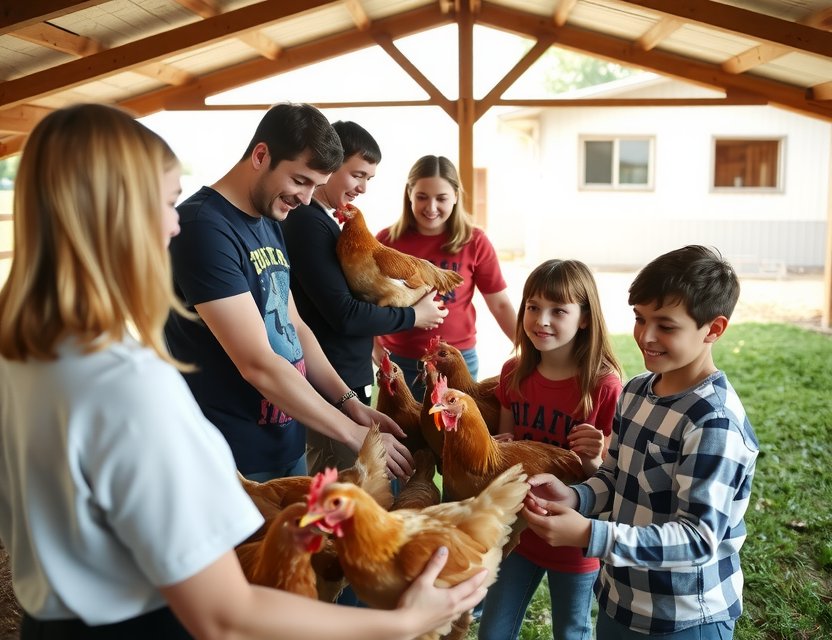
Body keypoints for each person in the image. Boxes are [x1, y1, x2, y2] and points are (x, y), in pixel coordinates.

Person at [0, 102, 488, 640]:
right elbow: (223, 615)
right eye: (165, 202)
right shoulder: (128, 385)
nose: (174, 222)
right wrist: (400, 625)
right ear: (117, 213)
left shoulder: (28, 358)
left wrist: (350, 402)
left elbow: (291, 321)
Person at [164, 103, 414, 482]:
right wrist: (351, 433)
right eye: (300, 180)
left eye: (315, 184)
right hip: (231, 456)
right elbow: (257, 363)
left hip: (284, 440)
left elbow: (295, 327)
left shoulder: (268, 219)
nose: (308, 198)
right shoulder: (204, 228)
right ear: (261, 155)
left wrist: (350, 404)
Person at [522, 245, 759, 640]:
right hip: (621, 601)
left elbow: (697, 538)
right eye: (639, 318)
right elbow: (615, 477)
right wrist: (575, 497)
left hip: (685, 619)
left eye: (665, 325)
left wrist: (587, 534)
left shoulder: (713, 422)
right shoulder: (634, 392)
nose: (645, 336)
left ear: (713, 330)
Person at [281, 121, 445, 475]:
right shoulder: (309, 224)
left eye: (369, 178)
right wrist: (414, 317)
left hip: (341, 377)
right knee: (343, 485)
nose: (363, 188)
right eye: (358, 175)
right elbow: (343, 313)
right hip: (329, 379)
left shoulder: (325, 224)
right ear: (330, 163)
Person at [478, 259, 623, 640]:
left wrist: (592, 458)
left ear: (585, 318)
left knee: (571, 632)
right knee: (493, 630)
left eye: (558, 310)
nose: (541, 320)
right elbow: (507, 447)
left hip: (574, 535)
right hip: (519, 530)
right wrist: (493, 448)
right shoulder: (513, 372)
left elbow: (606, 477)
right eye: (533, 307)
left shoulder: (603, 386)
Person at [375, 155, 516, 399]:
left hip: (457, 363)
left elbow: (500, 304)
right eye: (422, 197)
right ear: (409, 194)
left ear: (456, 197)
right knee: (401, 436)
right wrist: (373, 347)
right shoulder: (386, 242)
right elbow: (367, 302)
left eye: (441, 198)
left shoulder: (475, 242)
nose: (431, 207)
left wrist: (530, 348)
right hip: (400, 361)